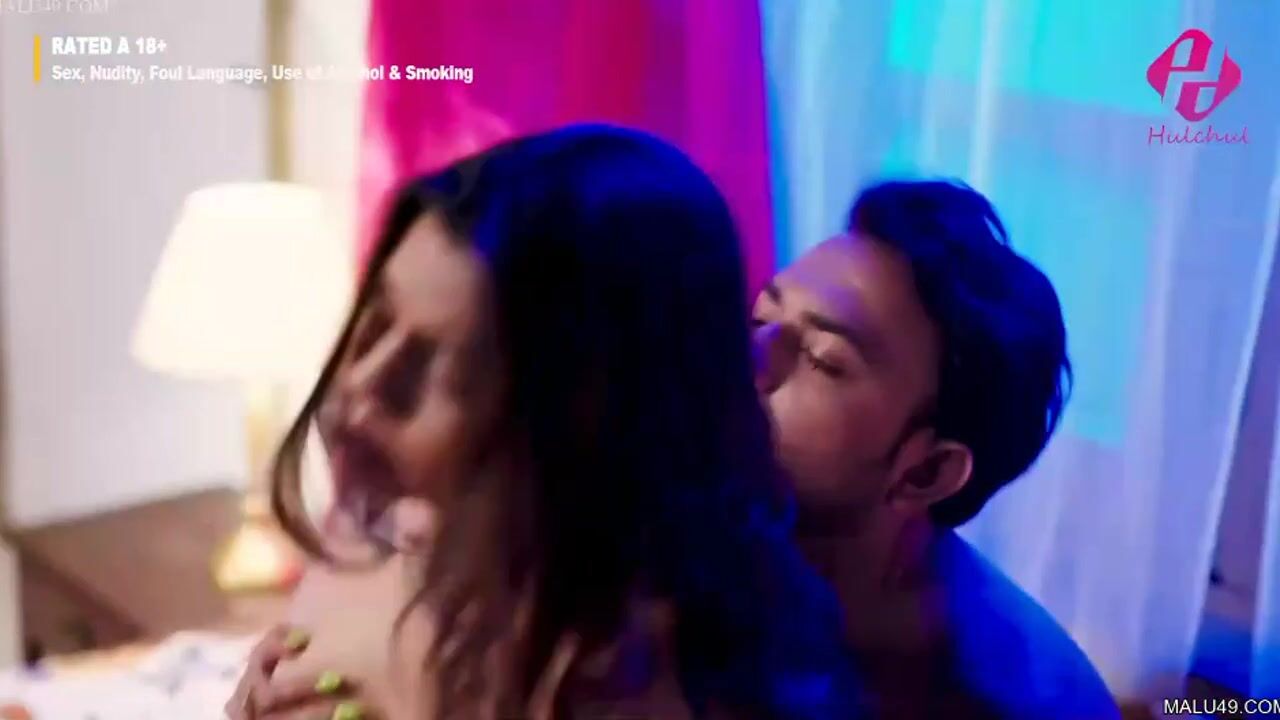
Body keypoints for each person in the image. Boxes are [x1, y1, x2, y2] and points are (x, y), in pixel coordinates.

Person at [225, 124, 862, 720]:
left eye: (436, 368)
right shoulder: (383, 528)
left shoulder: (648, 680)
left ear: (578, 429)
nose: (362, 387)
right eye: (376, 322)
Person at [752, 180, 1119, 719]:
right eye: (760, 319)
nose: (752, 358)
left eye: (824, 359)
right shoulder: (698, 537)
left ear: (927, 471)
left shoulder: (1006, 701)